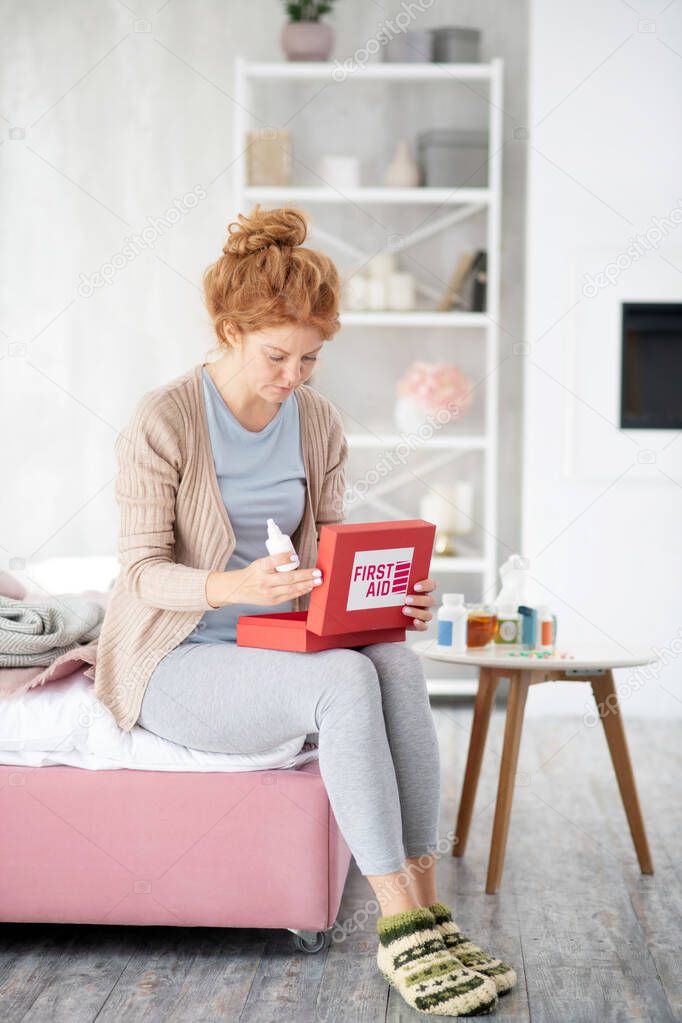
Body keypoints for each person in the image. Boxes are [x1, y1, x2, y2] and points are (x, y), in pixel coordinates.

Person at [105, 205, 516, 1016]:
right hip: (177, 658)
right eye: (277, 356)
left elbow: (329, 551)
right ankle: (399, 923)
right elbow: (139, 573)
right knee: (342, 685)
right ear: (228, 329)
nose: (294, 376)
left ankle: (431, 908)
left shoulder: (316, 421)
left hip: (275, 642)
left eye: (311, 358)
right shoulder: (162, 420)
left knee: (394, 659)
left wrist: (392, 593)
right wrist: (230, 587)